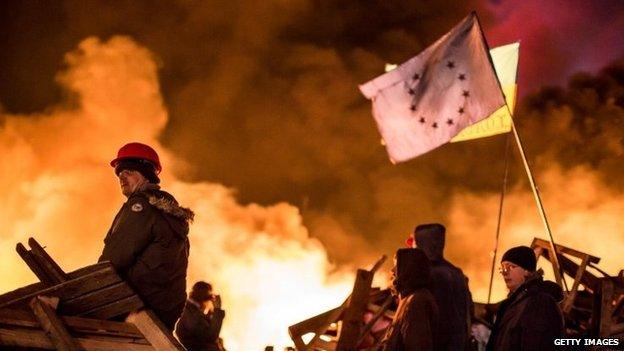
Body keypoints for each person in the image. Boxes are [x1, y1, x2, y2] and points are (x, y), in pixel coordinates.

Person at [99, 142, 194, 330]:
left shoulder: (141, 207)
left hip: (135, 306)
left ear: (146, 173)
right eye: (119, 174)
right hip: (164, 311)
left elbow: (114, 258)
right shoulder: (170, 215)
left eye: (129, 172)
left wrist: (91, 285)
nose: (122, 178)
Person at [408, 223, 473, 351]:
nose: (412, 247)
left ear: (422, 244)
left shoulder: (428, 275)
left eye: (415, 242)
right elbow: (469, 311)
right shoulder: (456, 273)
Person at [486, 246, 564, 351]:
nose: (505, 272)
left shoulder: (540, 303)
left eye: (511, 267)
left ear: (527, 271)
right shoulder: (513, 304)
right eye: (503, 268)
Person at [382, 248, 438, 351]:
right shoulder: (408, 299)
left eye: (397, 265)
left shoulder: (417, 302)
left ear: (410, 268)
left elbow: (418, 346)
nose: (392, 270)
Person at [176, 281, 226, 351]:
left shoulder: (190, 310)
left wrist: (210, 315)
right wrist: (217, 310)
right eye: (209, 297)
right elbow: (211, 336)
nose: (211, 300)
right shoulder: (191, 314)